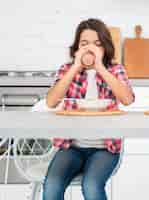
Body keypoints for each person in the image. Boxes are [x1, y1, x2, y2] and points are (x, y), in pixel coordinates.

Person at [43, 18, 135, 200]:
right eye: (84, 43)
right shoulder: (67, 69)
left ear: (105, 47)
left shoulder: (114, 69)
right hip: (71, 147)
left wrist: (100, 67)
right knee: (52, 187)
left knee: (91, 186)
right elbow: (51, 102)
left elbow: (127, 99)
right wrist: (76, 66)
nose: (90, 48)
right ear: (76, 48)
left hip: (105, 149)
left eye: (97, 44)